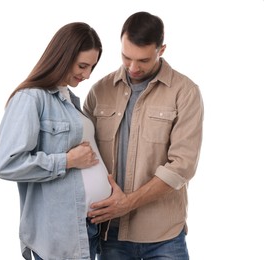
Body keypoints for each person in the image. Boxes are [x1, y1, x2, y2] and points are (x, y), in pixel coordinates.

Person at [83, 11, 204, 260]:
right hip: (110, 233)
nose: (133, 67)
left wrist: (127, 203)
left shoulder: (186, 92)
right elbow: (84, 153)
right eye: (126, 57)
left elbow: (182, 166)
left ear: (162, 50)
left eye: (144, 60)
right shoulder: (99, 91)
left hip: (164, 236)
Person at [0, 22, 112, 260]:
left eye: (92, 67)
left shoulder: (71, 99)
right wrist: (66, 161)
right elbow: (6, 164)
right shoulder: (30, 98)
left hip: (90, 227)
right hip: (60, 236)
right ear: (63, 56)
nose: (87, 75)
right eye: (82, 66)